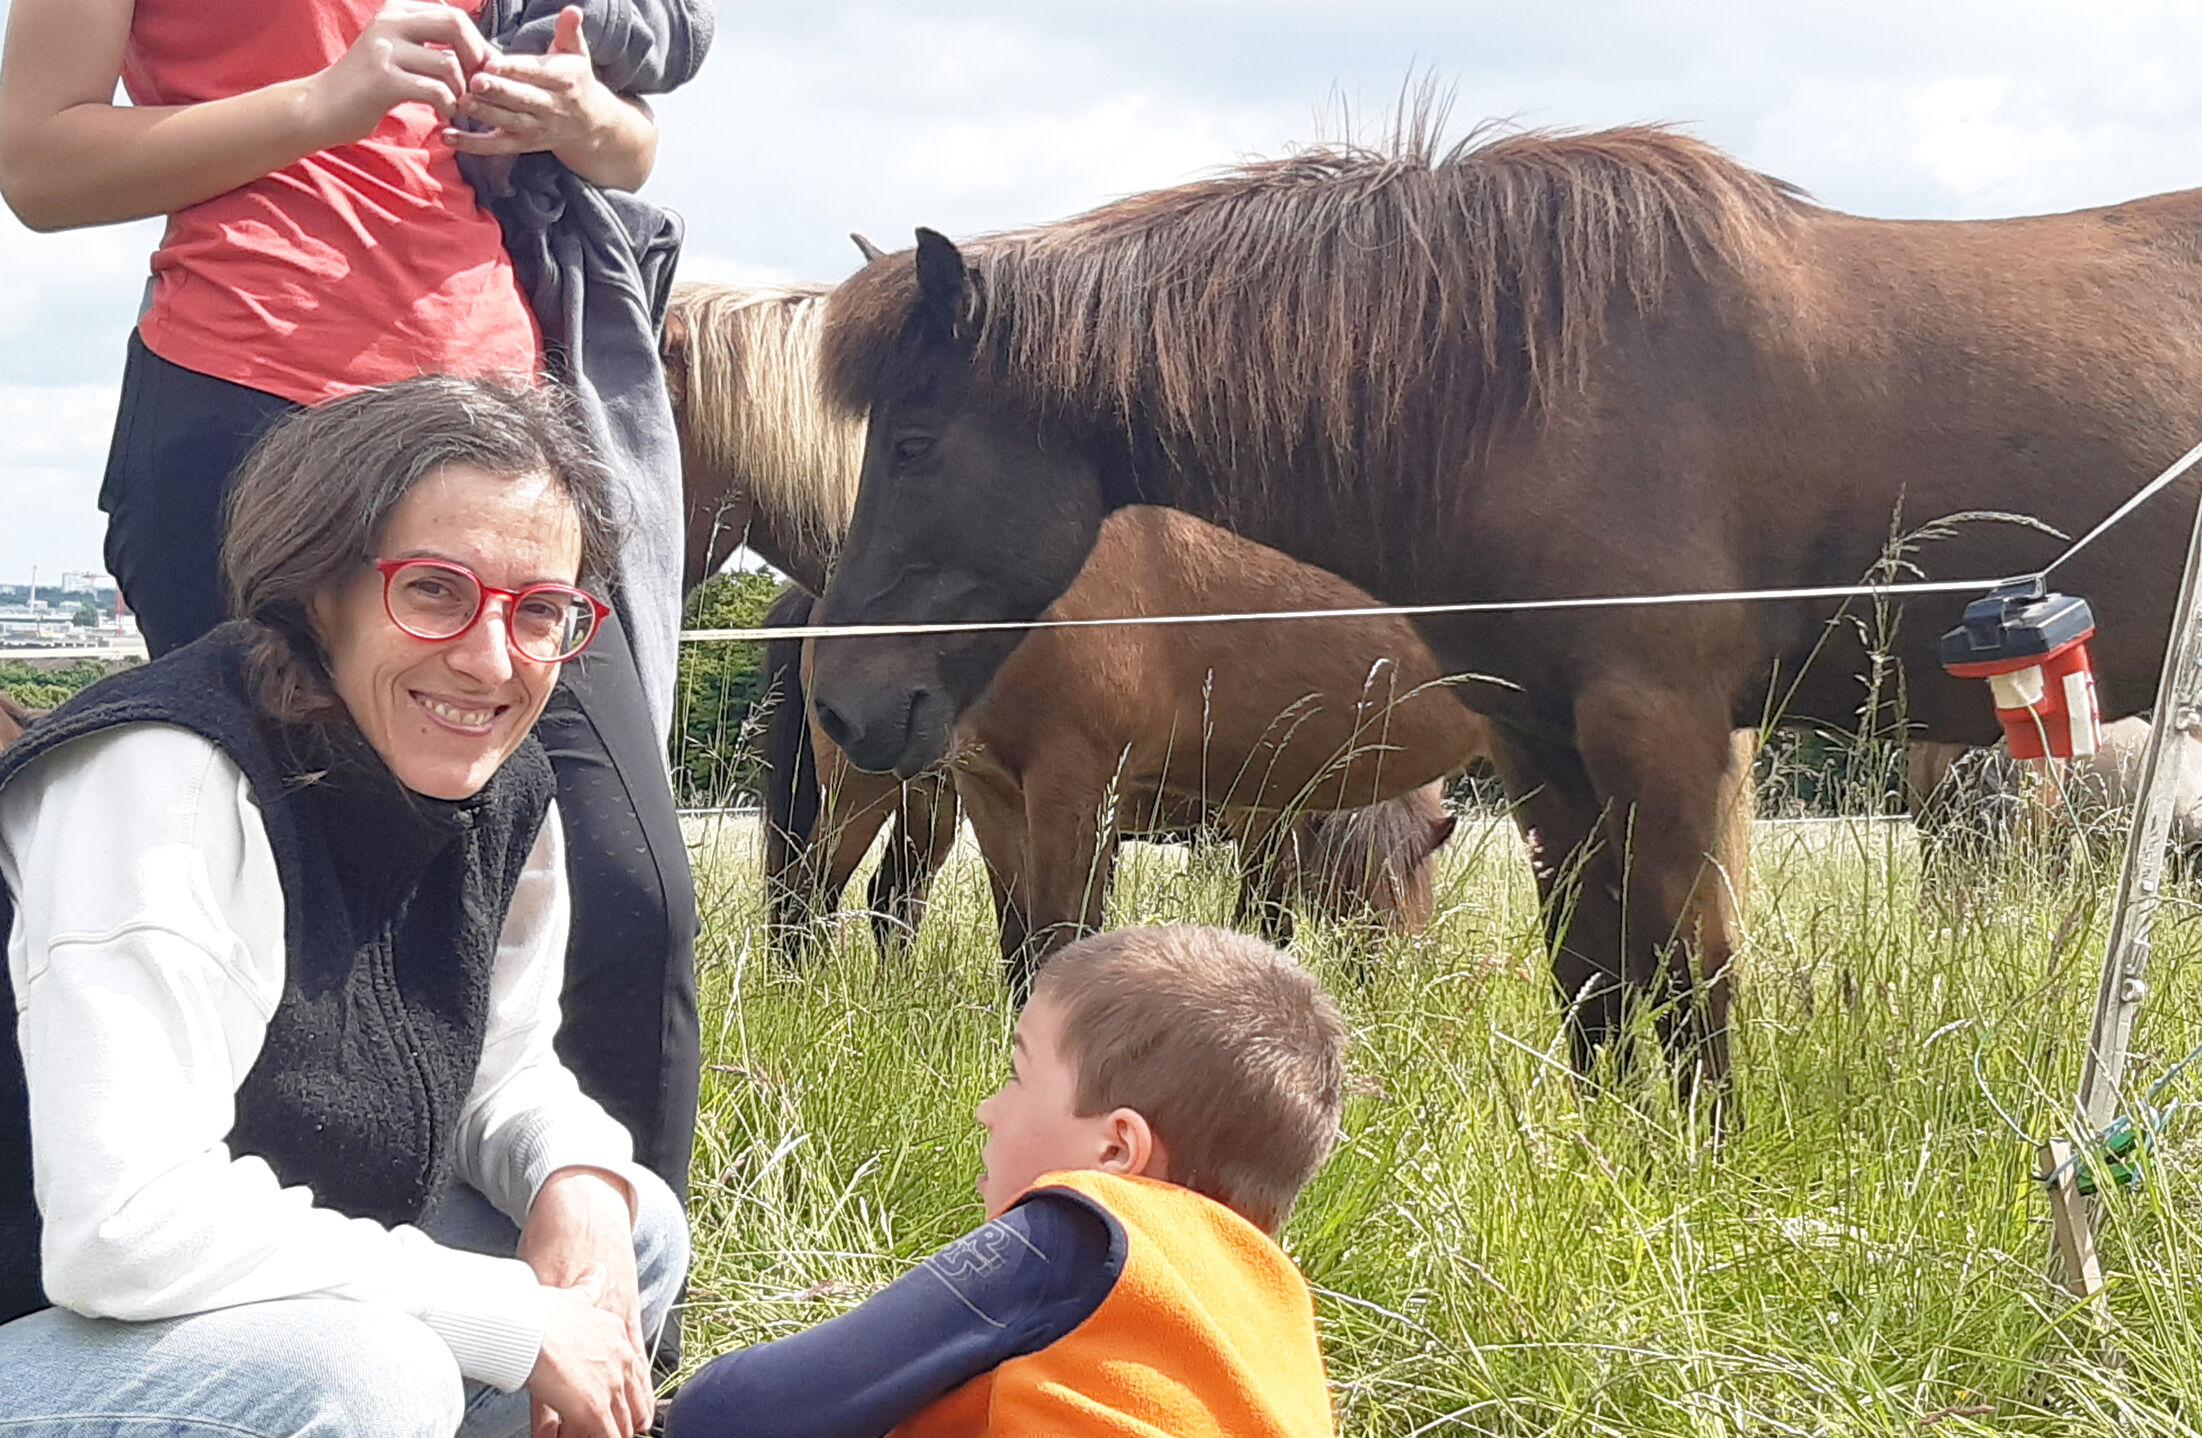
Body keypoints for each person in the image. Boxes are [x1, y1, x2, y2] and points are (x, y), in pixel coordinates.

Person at [0, 0, 708, 1259]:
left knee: (632, 891)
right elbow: (35, 163)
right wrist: (322, 106)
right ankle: (259, 1322)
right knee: (283, 920)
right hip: (248, 410)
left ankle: (597, 1332)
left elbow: (632, 146)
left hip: (499, 429)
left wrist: (587, 122)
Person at [0, 377, 688, 1438]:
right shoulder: (165, 783)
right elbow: (123, 1227)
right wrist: (506, 1313)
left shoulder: (499, 786)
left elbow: (498, 1072)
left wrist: (579, 1175)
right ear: (319, 589)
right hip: (37, 1325)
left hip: (166, 1310)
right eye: (433, 591)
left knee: (628, 1234)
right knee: (366, 1376)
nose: (491, 658)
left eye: (540, 608)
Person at [668, 926, 1349, 1438]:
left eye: (1018, 1076)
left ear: (1117, 1150)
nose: (987, 1110)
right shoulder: (1279, 1318)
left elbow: (734, 1415)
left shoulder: (1081, 1232)